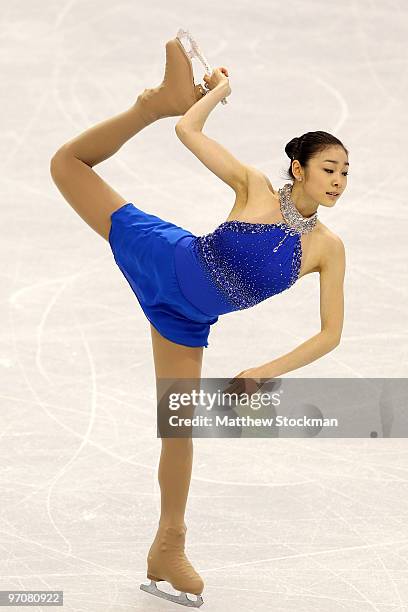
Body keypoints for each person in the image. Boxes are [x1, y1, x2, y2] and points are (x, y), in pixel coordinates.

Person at [50, 28, 347, 608]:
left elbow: (331, 333)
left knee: (177, 425)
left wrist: (264, 369)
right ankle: (149, 104)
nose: (338, 181)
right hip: (164, 255)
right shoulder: (255, 186)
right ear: (298, 168)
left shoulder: (327, 249)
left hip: (183, 318)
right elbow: (190, 131)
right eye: (329, 169)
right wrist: (213, 93)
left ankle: (168, 543)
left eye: (344, 173)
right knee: (67, 164)